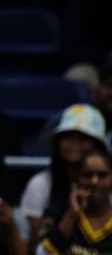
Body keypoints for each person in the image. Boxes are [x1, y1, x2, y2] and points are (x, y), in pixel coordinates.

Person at [19, 104, 109, 253]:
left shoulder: (106, 184)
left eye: (83, 138)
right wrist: (71, 215)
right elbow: (37, 248)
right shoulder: (40, 185)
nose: (74, 144)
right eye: (68, 137)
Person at [36, 148, 112, 255]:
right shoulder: (58, 210)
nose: (94, 181)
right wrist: (72, 215)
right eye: (87, 175)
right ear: (77, 179)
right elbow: (41, 253)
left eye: (102, 175)